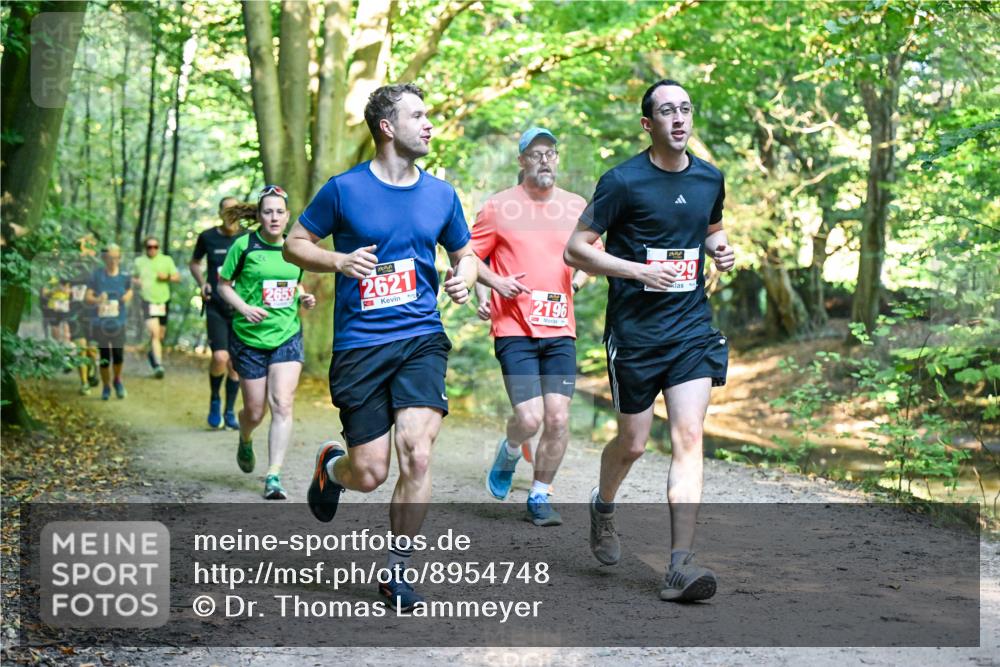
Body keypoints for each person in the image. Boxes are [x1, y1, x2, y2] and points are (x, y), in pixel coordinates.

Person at [284, 83, 477, 611]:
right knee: (370, 473)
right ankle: (333, 467)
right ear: (388, 127)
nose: (429, 123)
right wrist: (338, 262)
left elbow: (467, 253)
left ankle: (397, 573)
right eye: (418, 115)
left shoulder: (441, 194)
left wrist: (462, 276)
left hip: (420, 337)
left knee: (417, 452)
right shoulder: (343, 190)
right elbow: (294, 243)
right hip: (359, 344)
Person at [564, 79, 736, 602]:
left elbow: (710, 227)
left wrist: (723, 250)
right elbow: (576, 249)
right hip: (635, 333)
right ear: (648, 125)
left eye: (685, 109)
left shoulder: (710, 178)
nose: (679, 119)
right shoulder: (623, 182)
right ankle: (603, 505)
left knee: (688, 437)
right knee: (634, 442)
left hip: (689, 328)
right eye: (667, 111)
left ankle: (679, 566)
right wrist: (636, 271)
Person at [472, 126, 600, 527]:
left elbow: (594, 255)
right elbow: (470, 258)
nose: (544, 159)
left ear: (557, 159)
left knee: (559, 418)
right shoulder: (498, 207)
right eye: (536, 152)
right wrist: (490, 287)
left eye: (551, 152)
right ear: (522, 160)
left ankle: (541, 494)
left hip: (560, 328)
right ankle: (511, 448)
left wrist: (577, 281)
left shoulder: (576, 206)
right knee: (529, 420)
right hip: (514, 328)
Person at [217, 187, 316, 500]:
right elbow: (224, 285)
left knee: (283, 404)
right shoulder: (243, 246)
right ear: (259, 216)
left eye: (279, 212)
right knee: (255, 411)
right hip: (248, 338)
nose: (274, 217)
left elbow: (294, 282)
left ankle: (273, 475)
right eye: (268, 212)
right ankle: (245, 436)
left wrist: (303, 296)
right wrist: (244, 308)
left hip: (287, 334)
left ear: (288, 216)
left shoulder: (295, 247)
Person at [190, 197, 246, 429]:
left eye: (235, 209)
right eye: (227, 210)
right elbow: (194, 263)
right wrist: (202, 282)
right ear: (220, 212)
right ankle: (215, 399)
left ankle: (230, 410)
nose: (231, 213)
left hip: (242, 307)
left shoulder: (247, 238)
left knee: (235, 363)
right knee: (220, 357)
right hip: (215, 305)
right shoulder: (208, 237)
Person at [86, 244, 134, 400]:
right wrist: (98, 299)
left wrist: (127, 296)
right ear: (104, 259)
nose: (113, 261)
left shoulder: (125, 276)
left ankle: (117, 380)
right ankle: (106, 386)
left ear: (120, 258)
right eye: (110, 258)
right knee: (105, 357)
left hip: (118, 324)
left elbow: (130, 290)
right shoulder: (97, 276)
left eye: (116, 257)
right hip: (101, 324)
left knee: (118, 356)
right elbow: (88, 297)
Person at [132, 235, 180, 378]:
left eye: (155, 247)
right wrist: (136, 282)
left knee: (160, 335)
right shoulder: (139, 261)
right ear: (145, 248)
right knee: (154, 333)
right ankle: (159, 366)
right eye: (149, 247)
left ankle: (152, 355)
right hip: (147, 301)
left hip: (163, 301)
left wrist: (166, 277)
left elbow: (177, 277)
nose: (152, 249)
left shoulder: (166, 260)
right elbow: (132, 277)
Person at [68, 237, 101, 395]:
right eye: (81, 246)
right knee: (81, 348)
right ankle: (84, 383)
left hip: (93, 314)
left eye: (89, 245)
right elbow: (62, 287)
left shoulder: (98, 268)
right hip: (75, 314)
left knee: (91, 350)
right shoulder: (70, 268)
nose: (85, 249)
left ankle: (93, 366)